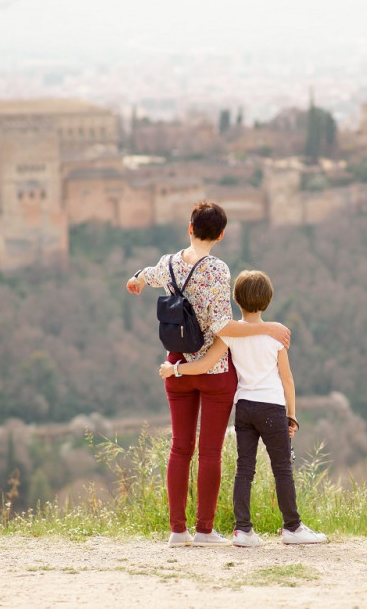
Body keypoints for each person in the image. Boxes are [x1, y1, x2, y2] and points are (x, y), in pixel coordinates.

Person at [126, 201, 290, 547]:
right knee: (210, 452)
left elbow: (147, 276)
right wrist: (269, 328)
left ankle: (176, 531)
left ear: (189, 227)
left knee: (179, 447)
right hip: (214, 370)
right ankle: (204, 530)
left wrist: (136, 279)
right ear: (221, 235)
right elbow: (224, 326)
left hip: (177, 365)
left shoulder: (168, 263)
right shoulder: (216, 270)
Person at [160, 269, 327, 547]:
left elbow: (205, 365)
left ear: (236, 301)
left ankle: (243, 531)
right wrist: (292, 415)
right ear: (268, 300)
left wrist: (175, 369)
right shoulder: (276, 334)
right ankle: (292, 528)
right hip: (272, 408)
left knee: (244, 469)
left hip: (245, 408)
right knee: (282, 468)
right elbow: (287, 378)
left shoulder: (229, 334)